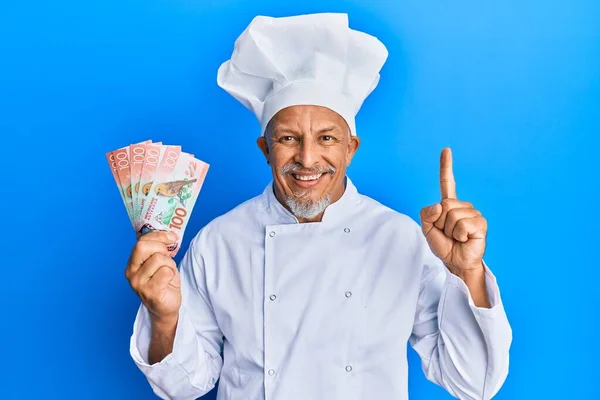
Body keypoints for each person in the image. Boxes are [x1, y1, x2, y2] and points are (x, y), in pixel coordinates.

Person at [125, 13, 512, 400]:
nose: (307, 159)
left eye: (326, 138)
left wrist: (468, 273)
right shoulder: (218, 242)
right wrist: (164, 318)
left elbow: (473, 383)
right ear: (266, 150)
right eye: (289, 138)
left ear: (350, 149)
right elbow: (182, 387)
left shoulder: (399, 238)